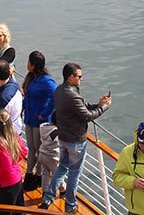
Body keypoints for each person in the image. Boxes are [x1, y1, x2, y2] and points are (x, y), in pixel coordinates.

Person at [39, 63, 112, 214]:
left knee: (62, 167)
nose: (81, 79)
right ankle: (70, 205)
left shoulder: (60, 90)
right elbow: (87, 115)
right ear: (71, 77)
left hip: (63, 137)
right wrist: (104, 107)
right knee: (74, 174)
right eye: (79, 76)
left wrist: (99, 104)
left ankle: (48, 198)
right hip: (76, 141)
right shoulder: (72, 94)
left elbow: (82, 106)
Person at [21, 50, 56, 191]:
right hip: (29, 119)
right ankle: (30, 175)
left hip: (39, 121)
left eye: (29, 62)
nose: (27, 64)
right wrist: (22, 108)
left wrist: (45, 113)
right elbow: (28, 97)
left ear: (33, 65)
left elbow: (55, 97)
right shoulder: (31, 78)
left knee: (39, 150)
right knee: (31, 149)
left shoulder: (46, 81)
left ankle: (37, 176)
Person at [0, 108, 27, 214]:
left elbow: (7, 168)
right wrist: (14, 160)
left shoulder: (0, 144)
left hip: (8, 184)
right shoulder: (13, 135)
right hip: (17, 180)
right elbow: (23, 151)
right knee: (19, 211)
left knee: (3, 212)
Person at [0, 59, 23, 135]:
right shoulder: (14, 84)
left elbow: (0, 121)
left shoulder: (3, 98)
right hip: (16, 129)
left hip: (7, 135)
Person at [36, 112, 66, 196]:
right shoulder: (55, 132)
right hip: (51, 157)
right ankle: (63, 190)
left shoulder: (44, 127)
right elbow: (61, 141)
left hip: (42, 154)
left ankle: (45, 191)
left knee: (46, 174)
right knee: (58, 174)